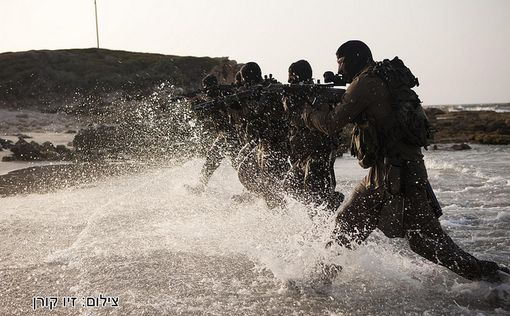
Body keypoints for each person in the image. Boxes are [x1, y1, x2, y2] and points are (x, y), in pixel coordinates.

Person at [303, 40, 508, 282]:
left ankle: (494, 278)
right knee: (348, 223)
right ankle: (318, 281)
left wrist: (308, 113)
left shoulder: (365, 82)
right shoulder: (382, 77)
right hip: (390, 171)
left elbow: (331, 124)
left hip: (398, 175)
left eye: (341, 62)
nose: (338, 70)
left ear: (357, 57)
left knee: (425, 241)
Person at [282, 60, 344, 213]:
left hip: (318, 156)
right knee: (288, 186)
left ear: (297, 76)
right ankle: (330, 201)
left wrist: (308, 101)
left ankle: (329, 207)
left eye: (291, 77)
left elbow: (326, 124)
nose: (289, 81)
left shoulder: (317, 96)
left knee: (316, 203)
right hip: (303, 157)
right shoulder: (294, 97)